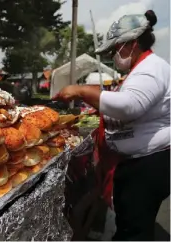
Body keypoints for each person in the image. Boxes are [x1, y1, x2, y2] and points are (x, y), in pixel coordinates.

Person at [54, 10, 170, 240]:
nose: (113, 55)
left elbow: (129, 106)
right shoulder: (142, 69)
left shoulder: (151, 69)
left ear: (132, 43)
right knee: (133, 225)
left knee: (133, 230)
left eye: (114, 49)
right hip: (142, 163)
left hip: (146, 166)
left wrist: (81, 90)